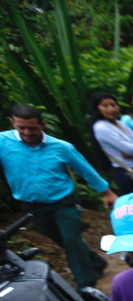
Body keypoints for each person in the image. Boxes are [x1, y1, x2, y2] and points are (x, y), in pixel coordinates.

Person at [0, 104, 116, 291]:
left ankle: (86, 286)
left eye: (33, 127)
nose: (27, 132)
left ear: (43, 125)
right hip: (32, 207)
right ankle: (96, 262)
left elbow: (85, 169)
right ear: (12, 123)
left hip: (64, 202)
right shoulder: (2, 142)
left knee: (71, 239)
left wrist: (106, 192)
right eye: (21, 127)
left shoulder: (61, 147)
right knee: (63, 241)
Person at [89, 91, 133, 194]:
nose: (111, 109)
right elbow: (131, 149)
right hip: (126, 173)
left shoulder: (119, 123)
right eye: (105, 106)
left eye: (113, 104)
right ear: (97, 108)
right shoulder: (101, 127)